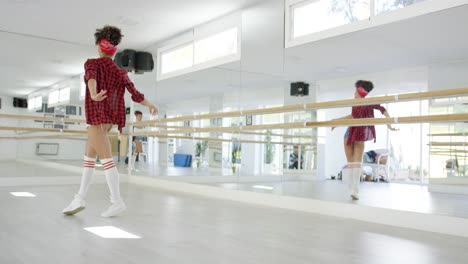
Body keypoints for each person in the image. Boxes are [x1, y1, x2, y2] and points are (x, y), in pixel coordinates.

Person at [62, 25, 158, 217]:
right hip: (108, 122)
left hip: (96, 121)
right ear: (114, 51)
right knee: (89, 160)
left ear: (99, 46)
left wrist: (93, 94)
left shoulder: (92, 63)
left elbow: (91, 78)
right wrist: (149, 104)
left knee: (106, 161)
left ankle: (116, 201)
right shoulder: (120, 72)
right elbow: (135, 93)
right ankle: (79, 197)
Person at [332, 80, 397, 200]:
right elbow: (353, 117)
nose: (353, 93)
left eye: (355, 91)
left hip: (359, 134)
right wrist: (336, 122)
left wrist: (389, 123)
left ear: (359, 91)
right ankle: (352, 188)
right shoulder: (355, 103)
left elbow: (382, 109)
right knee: (352, 162)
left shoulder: (367, 102)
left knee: (355, 162)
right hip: (350, 132)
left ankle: (354, 189)